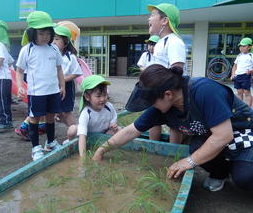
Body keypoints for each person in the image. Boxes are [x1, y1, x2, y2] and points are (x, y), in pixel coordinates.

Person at [93, 64, 253, 192]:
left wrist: (188, 162)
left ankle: (240, 165)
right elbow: (131, 130)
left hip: (243, 133)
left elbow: (223, 136)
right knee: (195, 147)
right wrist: (102, 149)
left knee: (244, 177)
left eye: (152, 101)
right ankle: (221, 174)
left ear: (168, 94)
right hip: (212, 136)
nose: (151, 106)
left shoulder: (204, 91)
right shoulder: (163, 107)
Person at [16, 11, 65, 161]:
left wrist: (62, 85)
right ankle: (36, 148)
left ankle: (50, 143)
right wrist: (20, 86)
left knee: (51, 117)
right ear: (32, 33)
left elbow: (59, 68)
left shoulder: (54, 49)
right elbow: (19, 71)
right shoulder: (27, 49)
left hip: (53, 91)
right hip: (36, 93)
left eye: (48, 33)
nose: (45, 36)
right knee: (34, 119)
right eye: (41, 33)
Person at [146, 3, 186, 142]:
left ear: (164, 21)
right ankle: (153, 149)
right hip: (158, 90)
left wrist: (167, 94)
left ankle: (174, 155)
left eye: (152, 15)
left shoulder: (174, 41)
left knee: (175, 125)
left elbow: (177, 71)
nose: (148, 19)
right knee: (154, 120)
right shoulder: (161, 42)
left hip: (169, 94)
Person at [68, 75, 120, 158]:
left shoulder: (109, 106)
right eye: (98, 96)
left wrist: (112, 124)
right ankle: (71, 145)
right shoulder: (86, 113)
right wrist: (83, 158)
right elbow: (82, 136)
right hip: (87, 135)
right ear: (87, 97)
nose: (102, 99)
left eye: (105, 95)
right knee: (72, 129)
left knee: (120, 130)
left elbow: (113, 118)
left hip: (103, 133)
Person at [53, 25, 82, 143]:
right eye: (53, 39)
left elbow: (76, 73)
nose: (54, 42)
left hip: (67, 87)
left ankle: (78, 132)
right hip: (54, 87)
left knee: (66, 111)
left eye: (57, 39)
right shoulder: (52, 55)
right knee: (59, 112)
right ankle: (74, 129)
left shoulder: (70, 57)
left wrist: (62, 80)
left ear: (65, 42)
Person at [230, 37, 253, 106]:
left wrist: (251, 70)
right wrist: (233, 74)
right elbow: (235, 66)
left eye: (244, 46)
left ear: (249, 47)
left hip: (246, 76)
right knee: (239, 92)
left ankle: (248, 110)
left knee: (247, 93)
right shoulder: (239, 56)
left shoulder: (251, 56)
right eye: (240, 46)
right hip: (237, 76)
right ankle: (240, 108)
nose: (241, 48)